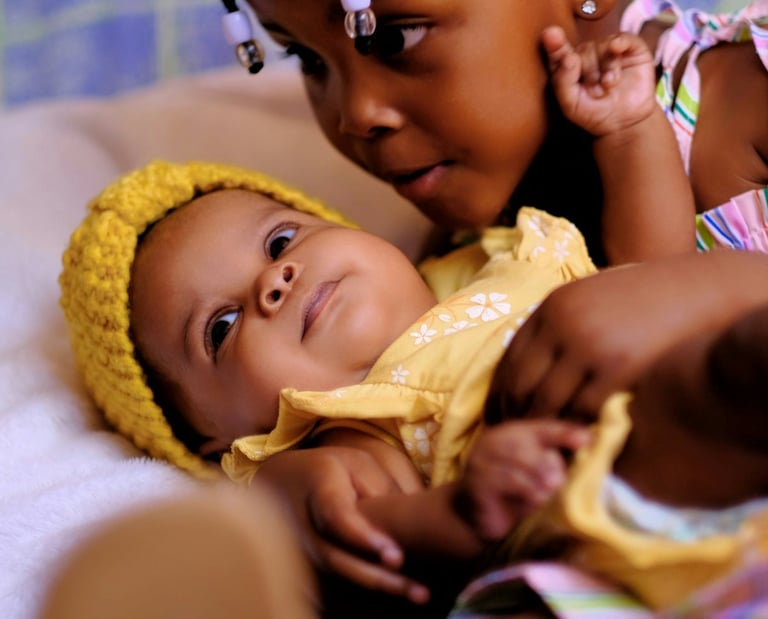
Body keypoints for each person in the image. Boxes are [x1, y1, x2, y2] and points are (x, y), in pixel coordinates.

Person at [61, 159, 768, 616]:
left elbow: (653, 263)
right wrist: (459, 510)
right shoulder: (339, 430)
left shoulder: (496, 256)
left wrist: (629, 133)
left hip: (700, 426)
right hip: (584, 527)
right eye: (219, 326)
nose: (272, 283)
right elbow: (357, 526)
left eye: (281, 243)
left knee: (717, 364)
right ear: (214, 434)